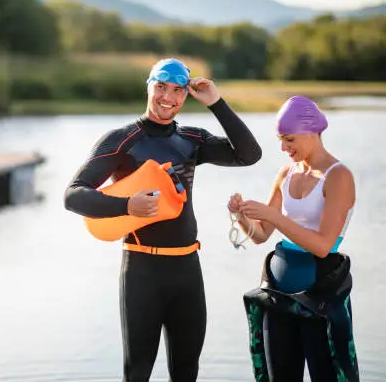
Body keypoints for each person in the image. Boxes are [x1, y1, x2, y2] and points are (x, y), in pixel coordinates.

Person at [64, 58, 262, 382]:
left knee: (187, 372)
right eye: (161, 87)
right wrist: (129, 205)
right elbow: (73, 194)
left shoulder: (192, 140)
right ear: (149, 86)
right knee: (138, 373)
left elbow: (249, 154)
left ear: (186, 95)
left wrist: (216, 103)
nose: (167, 97)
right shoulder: (123, 140)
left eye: (177, 91)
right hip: (142, 272)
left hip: (188, 270)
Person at [228, 95, 359, 381]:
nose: (283, 148)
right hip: (278, 296)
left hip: (320, 295)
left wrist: (275, 217)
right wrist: (241, 215)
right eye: (280, 140)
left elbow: (323, 246)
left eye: (289, 139)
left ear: (311, 131)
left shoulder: (338, 176)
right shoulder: (286, 172)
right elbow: (261, 235)